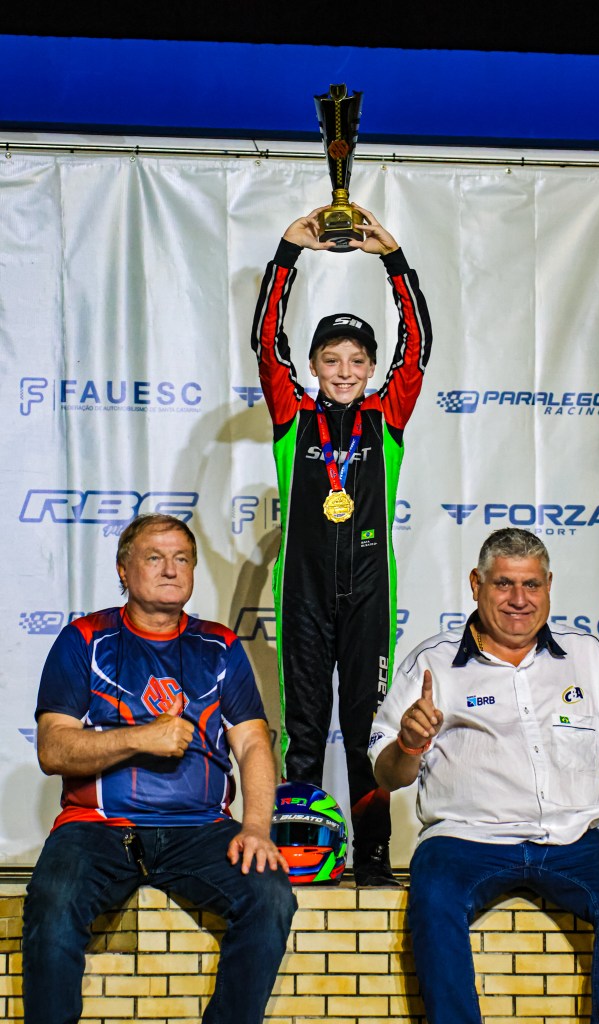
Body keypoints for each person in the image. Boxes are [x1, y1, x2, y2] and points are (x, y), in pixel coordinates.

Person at [368, 527, 599, 1024]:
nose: (518, 600)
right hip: (465, 840)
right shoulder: (433, 663)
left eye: (531, 585)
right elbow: (387, 775)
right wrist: (409, 745)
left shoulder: (587, 657)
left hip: (574, 839)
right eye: (503, 584)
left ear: (549, 586)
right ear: (476, 584)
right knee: (433, 895)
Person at [23, 513, 296, 1024]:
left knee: (270, 897)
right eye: (154, 557)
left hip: (201, 829)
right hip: (97, 829)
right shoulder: (84, 638)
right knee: (52, 904)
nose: (171, 569)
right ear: (123, 570)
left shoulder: (220, 646)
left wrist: (257, 828)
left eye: (182, 559)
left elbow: (254, 744)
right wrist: (140, 738)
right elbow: (52, 749)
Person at [251, 204, 432, 886]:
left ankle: (373, 854)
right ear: (313, 365)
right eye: (331, 359)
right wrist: (287, 251)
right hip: (300, 592)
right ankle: (297, 851)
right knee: (302, 729)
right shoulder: (292, 415)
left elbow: (417, 346)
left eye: (357, 360)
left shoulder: (386, 417)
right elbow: (264, 342)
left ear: (372, 367)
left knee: (367, 729)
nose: (345, 370)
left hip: (369, 595)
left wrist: (393, 260)